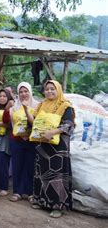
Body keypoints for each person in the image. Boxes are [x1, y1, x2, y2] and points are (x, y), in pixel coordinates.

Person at [30, 80, 75, 218]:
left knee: (56, 176)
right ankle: (40, 200)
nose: (49, 91)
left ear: (58, 90)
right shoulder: (42, 105)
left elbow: (69, 125)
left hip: (58, 148)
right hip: (43, 145)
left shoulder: (65, 106)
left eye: (52, 89)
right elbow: (36, 121)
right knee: (41, 172)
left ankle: (57, 206)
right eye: (47, 89)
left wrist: (52, 132)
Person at [3, 82, 39, 202]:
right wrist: (7, 109)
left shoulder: (38, 105)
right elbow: (7, 121)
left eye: (26, 91)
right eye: (21, 92)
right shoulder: (14, 107)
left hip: (32, 140)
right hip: (17, 140)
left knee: (30, 166)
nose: (24, 94)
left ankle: (29, 192)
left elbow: (38, 122)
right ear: (18, 94)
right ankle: (17, 191)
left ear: (30, 92)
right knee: (17, 165)